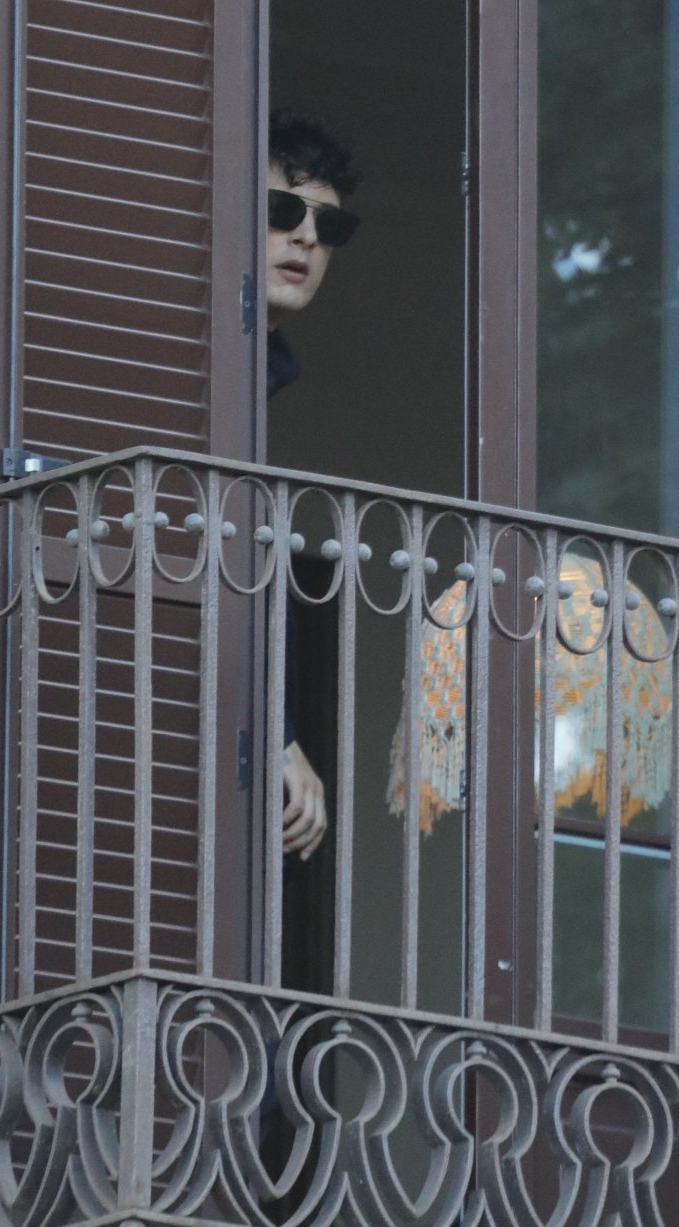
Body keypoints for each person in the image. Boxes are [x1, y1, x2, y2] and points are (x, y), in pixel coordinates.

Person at [266, 108, 362, 858]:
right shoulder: (175, 362)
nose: (305, 237)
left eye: (327, 225)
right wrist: (276, 735)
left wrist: (281, 732)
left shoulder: (258, 376)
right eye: (282, 211)